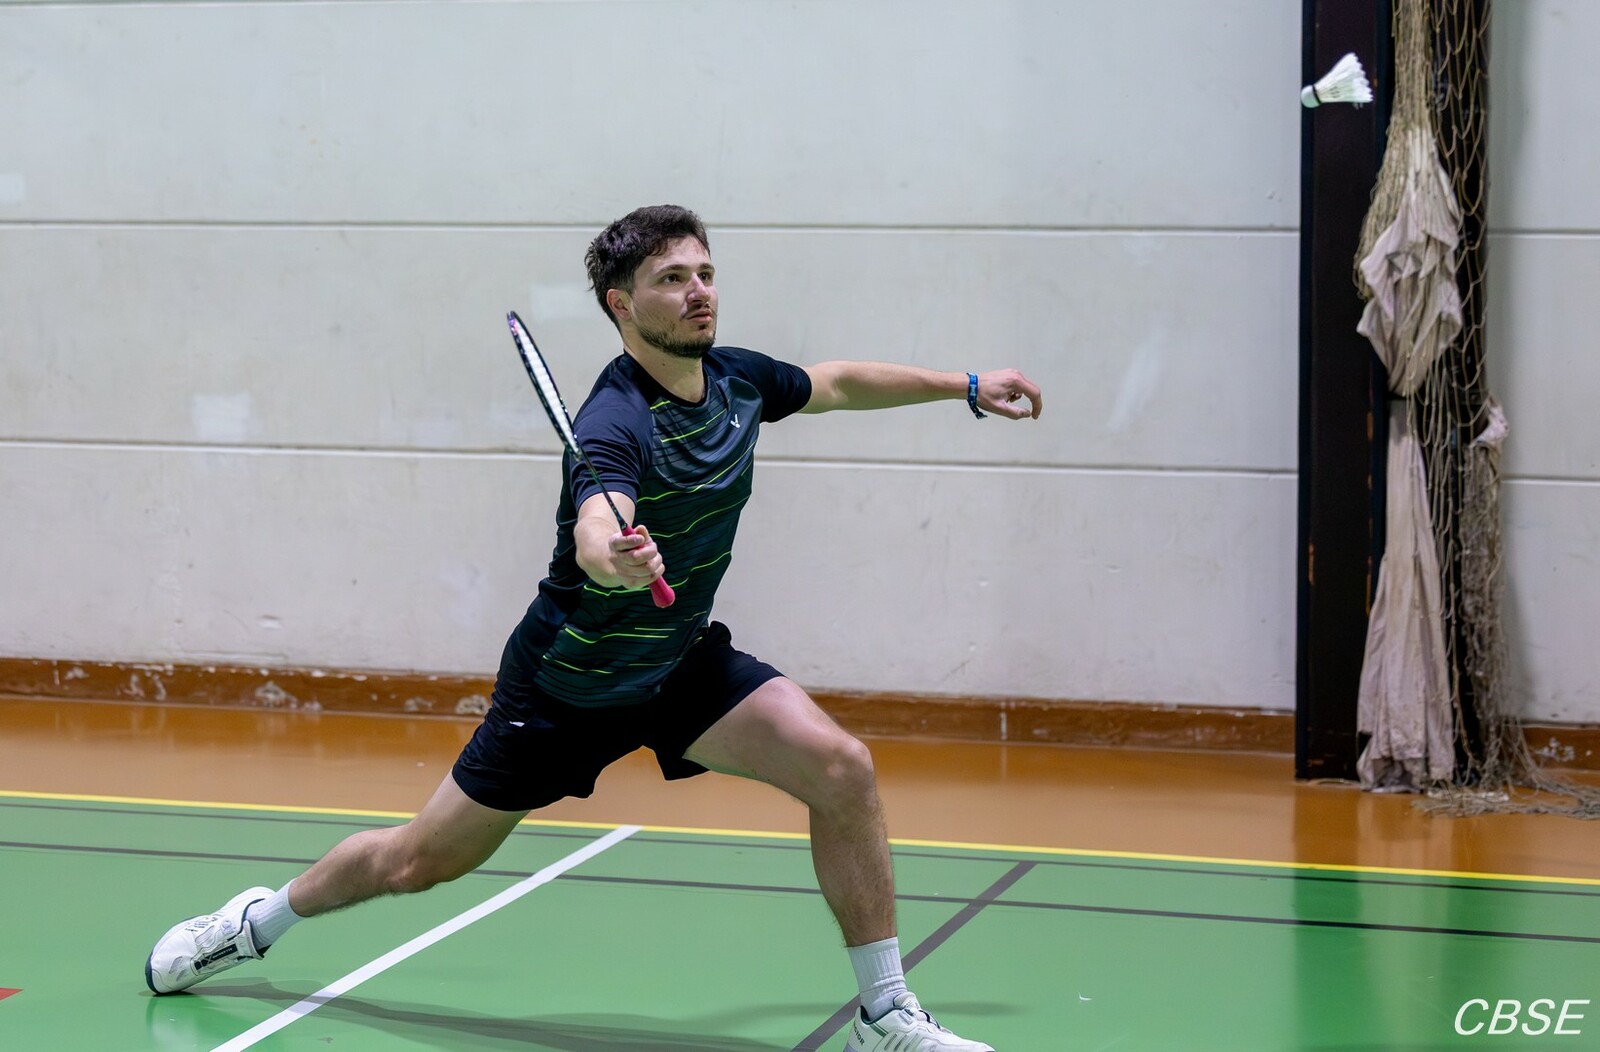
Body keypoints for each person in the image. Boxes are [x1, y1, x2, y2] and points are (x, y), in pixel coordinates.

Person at [144, 204, 1042, 1052]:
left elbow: (836, 383)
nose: (698, 292)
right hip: (569, 684)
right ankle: (256, 923)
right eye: (671, 279)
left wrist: (964, 385)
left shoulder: (738, 380)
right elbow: (596, 521)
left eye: (704, 273)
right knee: (416, 863)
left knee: (842, 770)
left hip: (679, 663)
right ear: (622, 304)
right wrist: (615, 557)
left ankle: (884, 1015)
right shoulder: (615, 419)